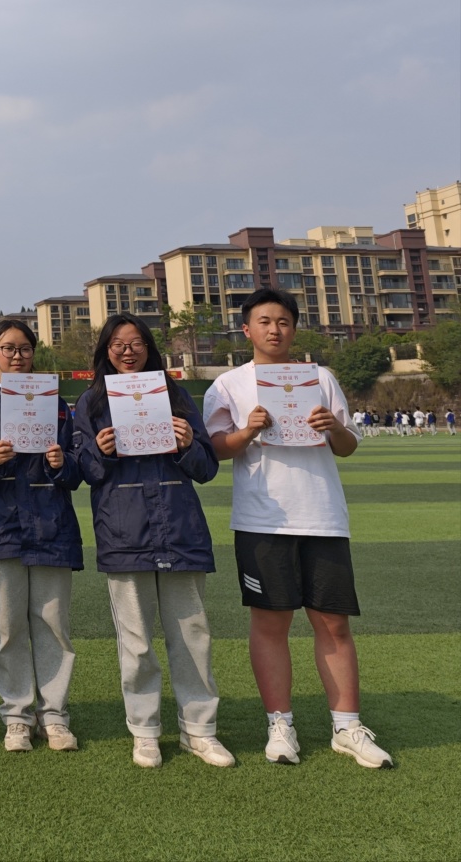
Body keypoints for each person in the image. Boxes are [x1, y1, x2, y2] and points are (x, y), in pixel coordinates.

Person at [204, 287, 392, 769]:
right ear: (247, 330)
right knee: (271, 622)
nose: (275, 329)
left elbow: (347, 445)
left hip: (322, 515)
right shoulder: (228, 384)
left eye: (284, 321)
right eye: (264, 321)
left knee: (333, 622)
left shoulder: (320, 377)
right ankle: (280, 723)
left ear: (294, 328)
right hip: (262, 519)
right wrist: (248, 431)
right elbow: (215, 449)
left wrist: (334, 427)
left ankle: (347, 726)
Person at [73, 313, 233, 769]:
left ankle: (199, 730)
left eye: (136, 343)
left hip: (180, 528)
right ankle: (145, 731)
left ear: (149, 347)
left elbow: (206, 467)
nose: (128, 351)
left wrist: (187, 444)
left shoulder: (175, 394)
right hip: (124, 531)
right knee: (137, 641)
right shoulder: (91, 402)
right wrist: (99, 451)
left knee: (192, 637)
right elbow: (82, 471)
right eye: (118, 344)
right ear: (106, 351)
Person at [0, 319, 83, 753]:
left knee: (53, 627)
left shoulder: (57, 403)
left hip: (51, 526)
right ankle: (16, 716)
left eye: (24, 348)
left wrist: (61, 463)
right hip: (0, 529)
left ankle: (55, 716)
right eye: (8, 348)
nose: (17, 356)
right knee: (7, 629)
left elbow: (77, 468)